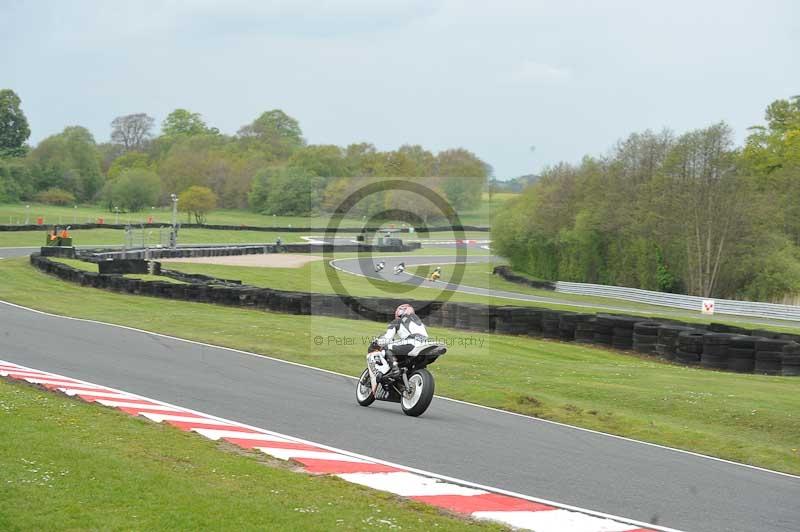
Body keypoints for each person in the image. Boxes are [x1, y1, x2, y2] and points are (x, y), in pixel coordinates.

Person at [367, 303, 429, 383]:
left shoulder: (397, 321)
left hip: (412, 343)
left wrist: (376, 342)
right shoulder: (419, 322)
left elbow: (387, 339)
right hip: (425, 344)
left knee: (387, 347)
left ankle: (395, 370)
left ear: (400, 311)